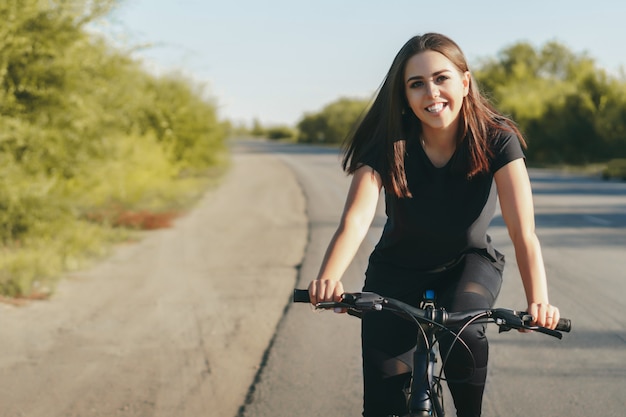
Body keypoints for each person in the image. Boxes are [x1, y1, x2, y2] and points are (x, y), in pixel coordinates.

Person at [307, 32, 560, 417]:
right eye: (417, 84)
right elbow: (356, 219)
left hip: (468, 265)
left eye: (441, 78)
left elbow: (523, 230)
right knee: (383, 403)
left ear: (465, 82)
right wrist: (329, 277)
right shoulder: (387, 143)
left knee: (465, 336)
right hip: (396, 270)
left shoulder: (497, 139)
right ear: (404, 96)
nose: (431, 92)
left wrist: (537, 300)